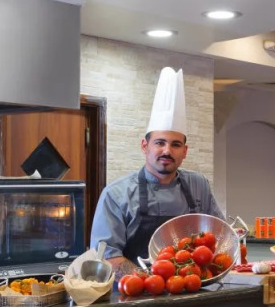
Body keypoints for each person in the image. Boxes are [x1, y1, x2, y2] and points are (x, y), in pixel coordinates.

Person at [90, 67, 224, 278]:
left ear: (185, 151)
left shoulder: (198, 185)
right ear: (145, 146)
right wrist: (152, 281)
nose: (167, 151)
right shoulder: (116, 194)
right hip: (135, 291)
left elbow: (218, 235)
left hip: (193, 286)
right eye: (160, 143)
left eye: (176, 144)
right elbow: (107, 256)